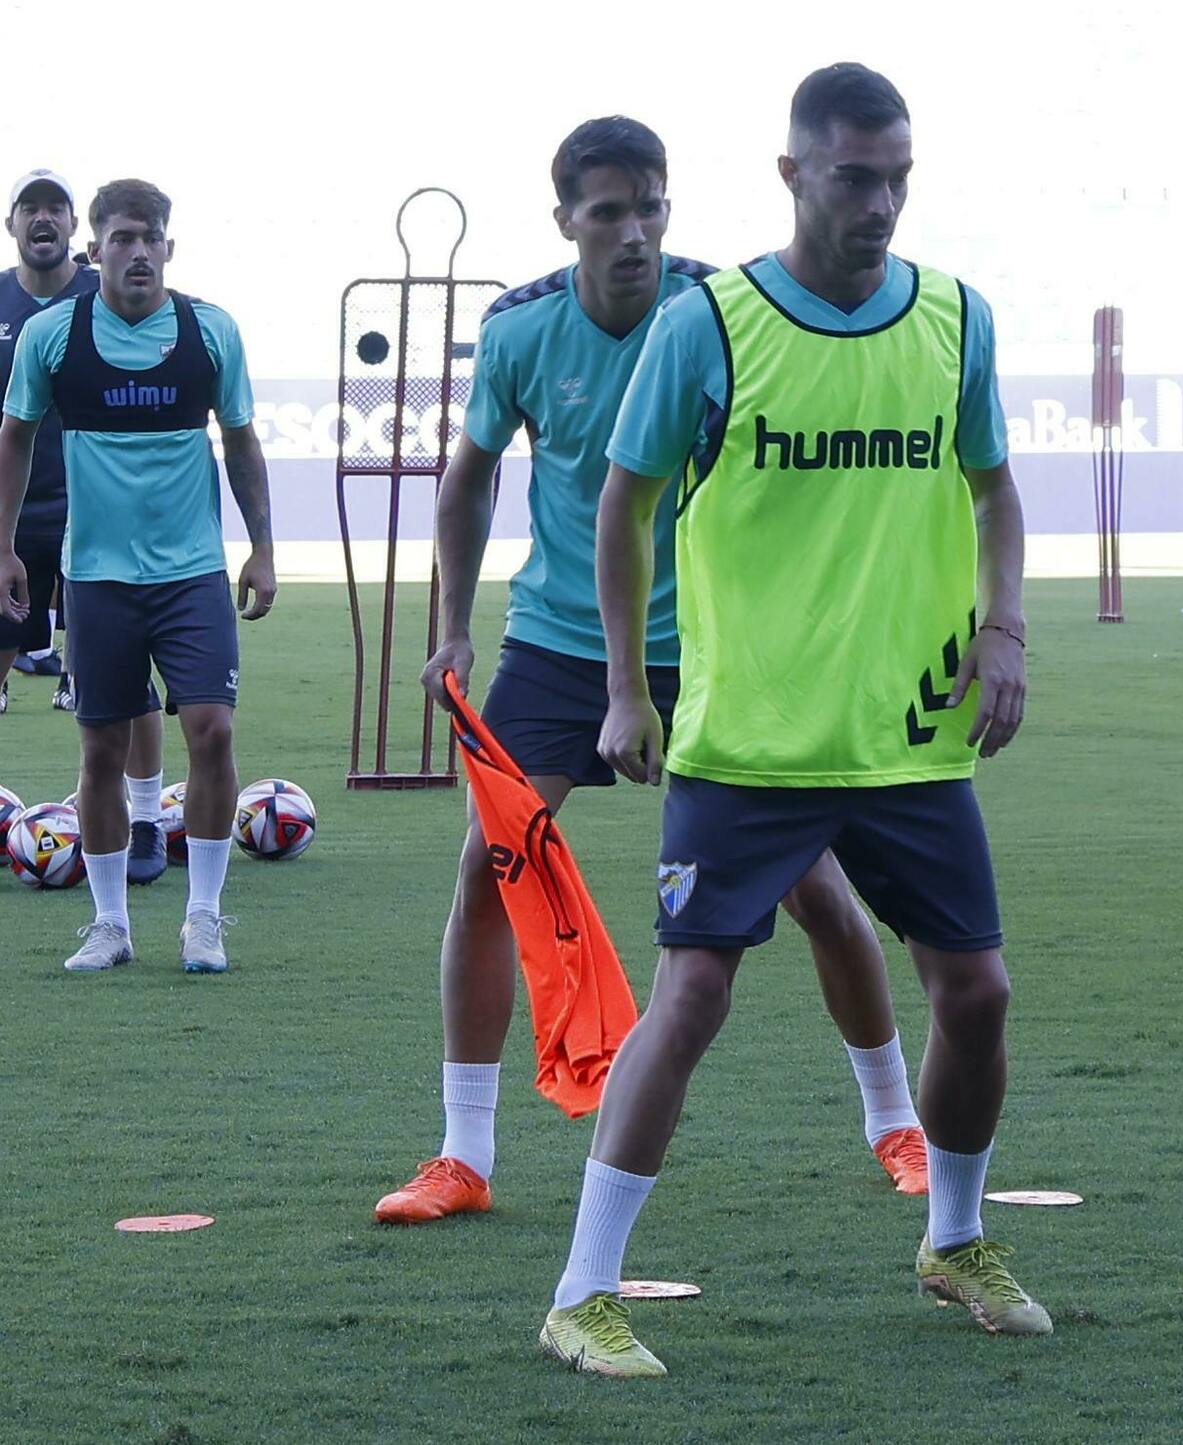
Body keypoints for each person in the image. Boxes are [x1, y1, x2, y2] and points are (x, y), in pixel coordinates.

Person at [538, 64, 1045, 1380]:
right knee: (694, 992)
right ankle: (583, 1290)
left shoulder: (954, 319)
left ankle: (955, 1236)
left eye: (898, 178)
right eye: (853, 177)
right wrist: (626, 686)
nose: (879, 203)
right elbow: (624, 505)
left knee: (977, 991)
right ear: (793, 174)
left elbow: (994, 492)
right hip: (749, 740)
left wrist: (1006, 625)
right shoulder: (710, 324)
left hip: (906, 740)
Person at [373, 116, 929, 1229]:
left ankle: (896, 1121)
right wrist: (451, 626)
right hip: (559, 642)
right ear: (566, 221)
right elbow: (468, 478)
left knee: (813, 883)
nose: (635, 233)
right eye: (609, 212)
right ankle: (463, 1153)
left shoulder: (716, 314)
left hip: (718, 649)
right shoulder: (523, 331)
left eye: (652, 208)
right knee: (489, 871)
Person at [0, 178, 275, 973]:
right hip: (96, 578)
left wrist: (261, 547)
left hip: (192, 574)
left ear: (170, 248)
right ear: (97, 252)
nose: (139, 251)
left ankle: (204, 918)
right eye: (122, 238)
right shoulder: (52, 336)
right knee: (100, 752)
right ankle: (111, 924)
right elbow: (14, 438)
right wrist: (6, 543)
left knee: (213, 730)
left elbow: (245, 444)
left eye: (151, 236)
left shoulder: (210, 331)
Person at [0, 170, 170, 882]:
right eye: (29, 207)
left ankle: (145, 821)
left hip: (100, 522)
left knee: (127, 678)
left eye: (55, 209)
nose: (43, 219)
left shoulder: (106, 296)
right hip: (12, 520)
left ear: (77, 231)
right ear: (12, 224)